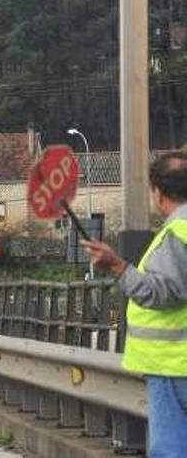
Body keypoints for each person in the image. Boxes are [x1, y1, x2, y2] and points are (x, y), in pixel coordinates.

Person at [81, 152, 187, 458]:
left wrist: (117, 266)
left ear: (157, 191)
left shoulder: (176, 233)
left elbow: (161, 293)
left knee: (171, 449)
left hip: (173, 364)